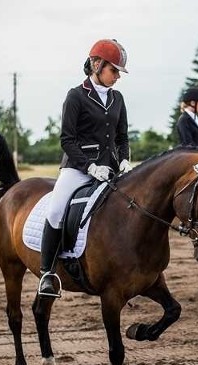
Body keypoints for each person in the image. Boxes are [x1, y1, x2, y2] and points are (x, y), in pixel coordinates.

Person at [38, 39, 132, 298]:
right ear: (96, 64)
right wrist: (89, 166)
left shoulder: (117, 98)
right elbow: (67, 140)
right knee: (57, 210)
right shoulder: (76, 96)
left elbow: (122, 137)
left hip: (111, 168)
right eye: (114, 70)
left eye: (118, 72)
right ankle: (47, 272)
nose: (117, 77)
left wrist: (124, 158)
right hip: (77, 168)